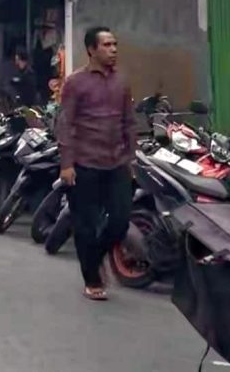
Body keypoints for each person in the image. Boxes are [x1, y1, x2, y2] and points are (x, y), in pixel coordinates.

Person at [56, 27, 135, 301]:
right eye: (107, 45)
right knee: (85, 226)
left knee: (120, 222)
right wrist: (67, 164)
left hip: (116, 163)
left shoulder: (122, 82)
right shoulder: (75, 82)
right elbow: (65, 124)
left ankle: (95, 257)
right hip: (84, 163)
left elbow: (129, 122)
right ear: (91, 49)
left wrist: (131, 158)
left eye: (115, 44)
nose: (113, 50)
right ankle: (92, 279)